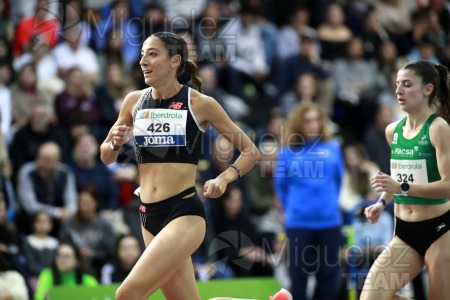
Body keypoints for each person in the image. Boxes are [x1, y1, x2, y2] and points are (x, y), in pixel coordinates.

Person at [99, 32, 261, 300]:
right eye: (142, 55)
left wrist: (224, 178)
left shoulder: (199, 103)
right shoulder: (134, 101)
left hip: (183, 214)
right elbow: (106, 157)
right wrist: (114, 143)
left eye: (152, 54)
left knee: (126, 295)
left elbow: (250, 151)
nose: (143, 61)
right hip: (148, 216)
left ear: (175, 61)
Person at [362, 59, 450, 300]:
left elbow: (448, 186)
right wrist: (381, 203)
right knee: (372, 297)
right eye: (397, 84)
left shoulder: (438, 128)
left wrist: (402, 187)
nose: (398, 91)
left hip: (440, 230)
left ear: (428, 89)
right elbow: (398, 176)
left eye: (407, 85)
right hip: (404, 232)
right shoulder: (393, 131)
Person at [274, 102, 345, 300]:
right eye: (307, 121)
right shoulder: (287, 152)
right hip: (299, 223)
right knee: (298, 278)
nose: (313, 125)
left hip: (329, 222)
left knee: (329, 277)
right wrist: (295, 209)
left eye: (316, 120)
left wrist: (327, 204)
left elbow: (338, 180)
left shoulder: (333, 147)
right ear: (299, 124)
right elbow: (281, 186)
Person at [34, 243, 98, 300]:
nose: (61, 259)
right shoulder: (47, 274)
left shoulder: (88, 279)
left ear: (77, 261)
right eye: (59, 255)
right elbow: (40, 298)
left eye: (66, 256)